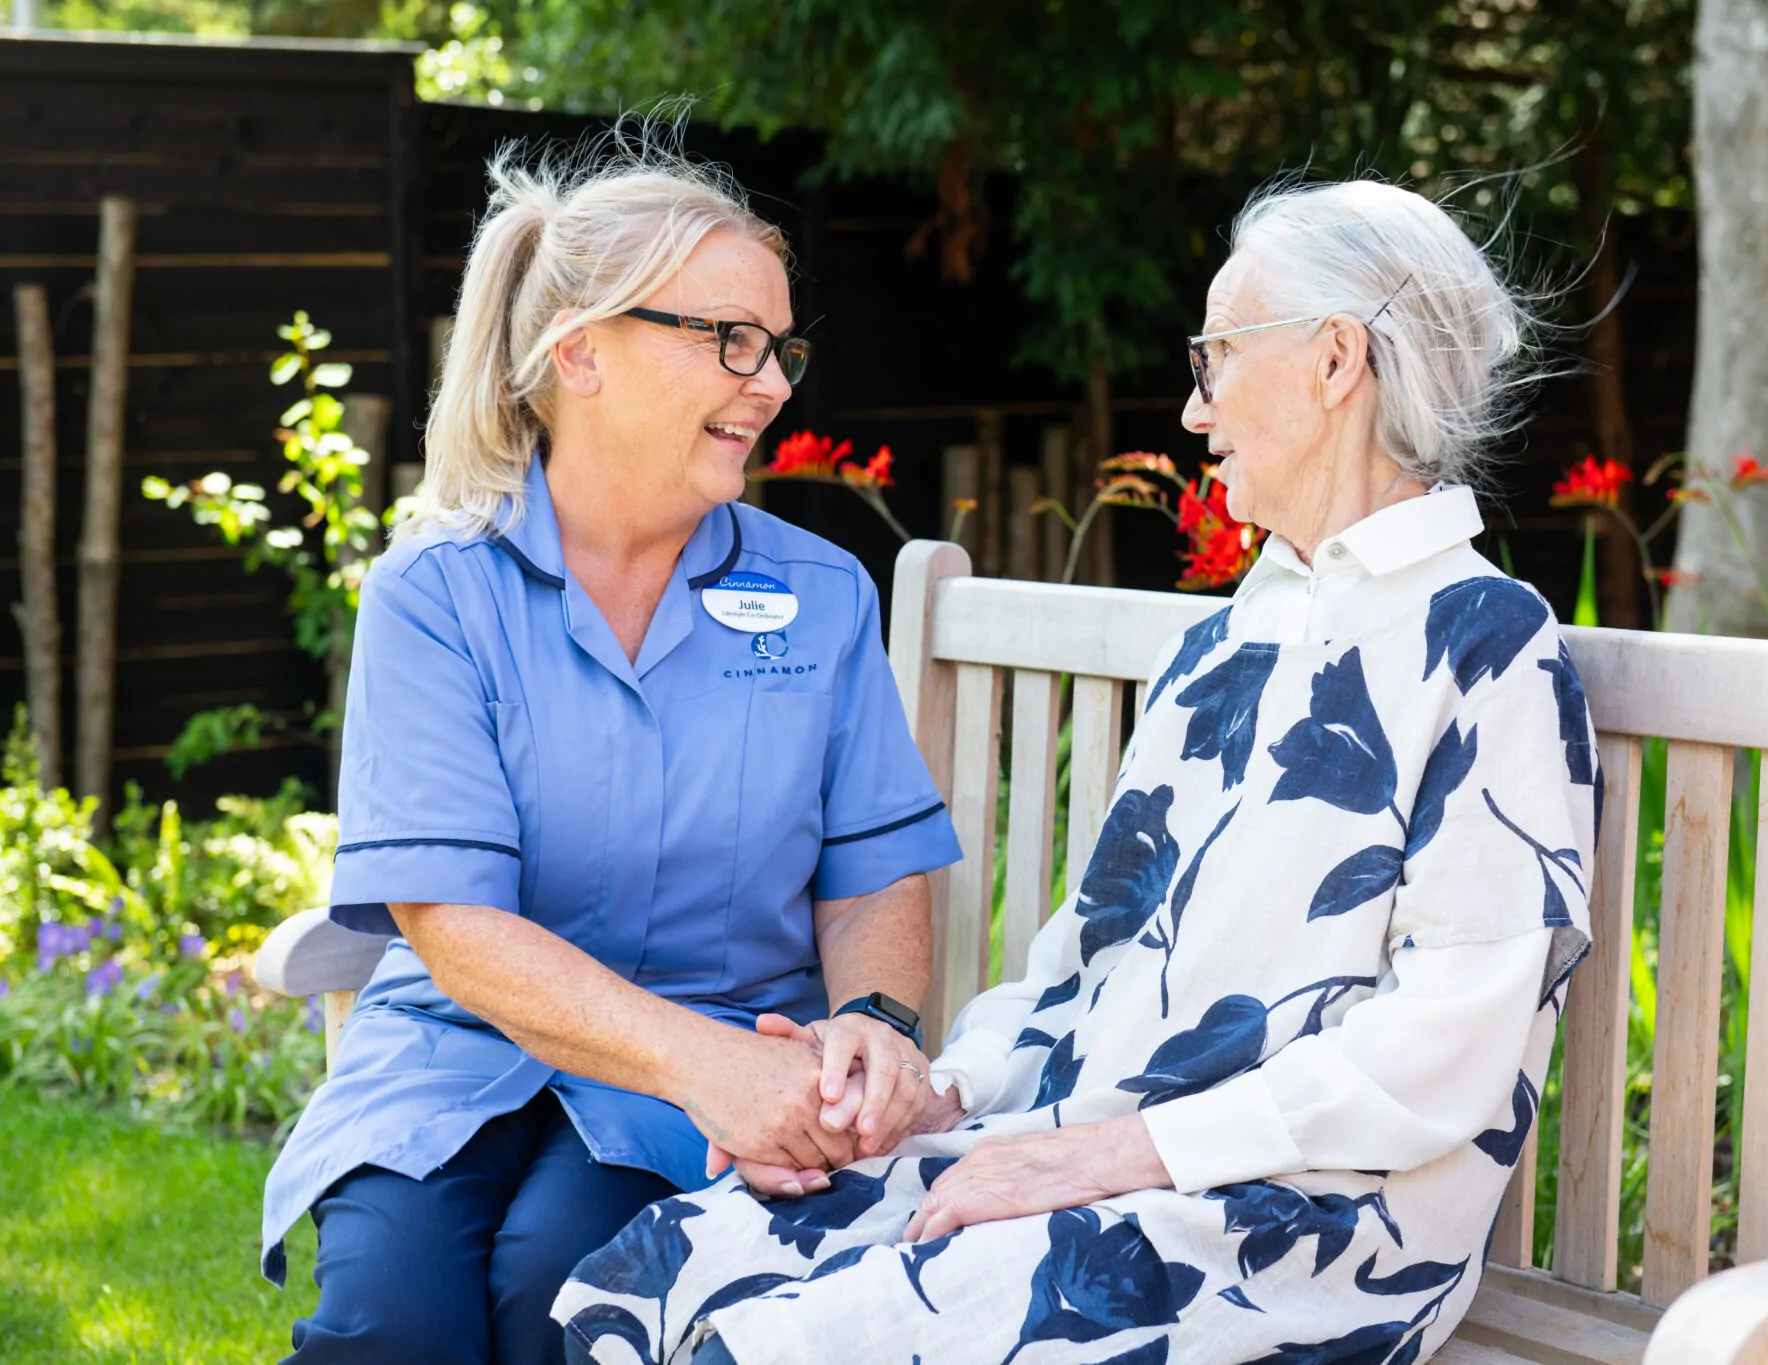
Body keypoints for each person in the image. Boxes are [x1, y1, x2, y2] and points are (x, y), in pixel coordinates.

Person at [554, 176, 1600, 1365]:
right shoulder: (1218, 649)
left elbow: (1445, 1051)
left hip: (1299, 1222)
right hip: (1099, 1158)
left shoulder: (1484, 645)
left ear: (1331, 362)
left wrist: (1100, 1157)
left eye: (1213, 360)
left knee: (810, 1338)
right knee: (667, 1268)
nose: (1195, 413)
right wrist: (932, 1100)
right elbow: (1091, 963)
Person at [260, 134, 962, 1365]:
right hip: (458, 1050)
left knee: (564, 1289)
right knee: (391, 1321)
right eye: (727, 339)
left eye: (780, 347)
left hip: (738, 1055)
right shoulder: (435, 594)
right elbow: (450, 924)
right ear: (578, 351)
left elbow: (874, 868)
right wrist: (706, 1072)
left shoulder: (822, 596)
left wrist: (874, 1022)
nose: (772, 383)